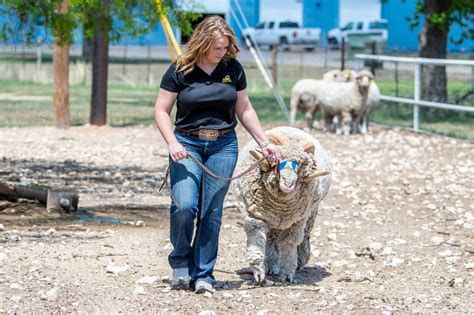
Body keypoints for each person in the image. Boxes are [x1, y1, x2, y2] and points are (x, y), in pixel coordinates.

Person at [154, 15, 279, 294]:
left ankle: (203, 275)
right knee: (185, 206)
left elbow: (244, 108)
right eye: (216, 48)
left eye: (225, 47)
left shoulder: (232, 69)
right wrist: (172, 143)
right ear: (201, 44)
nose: (221, 53)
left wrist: (264, 141)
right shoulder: (180, 69)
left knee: (212, 213)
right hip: (187, 144)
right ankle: (180, 262)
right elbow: (161, 110)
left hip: (224, 145)